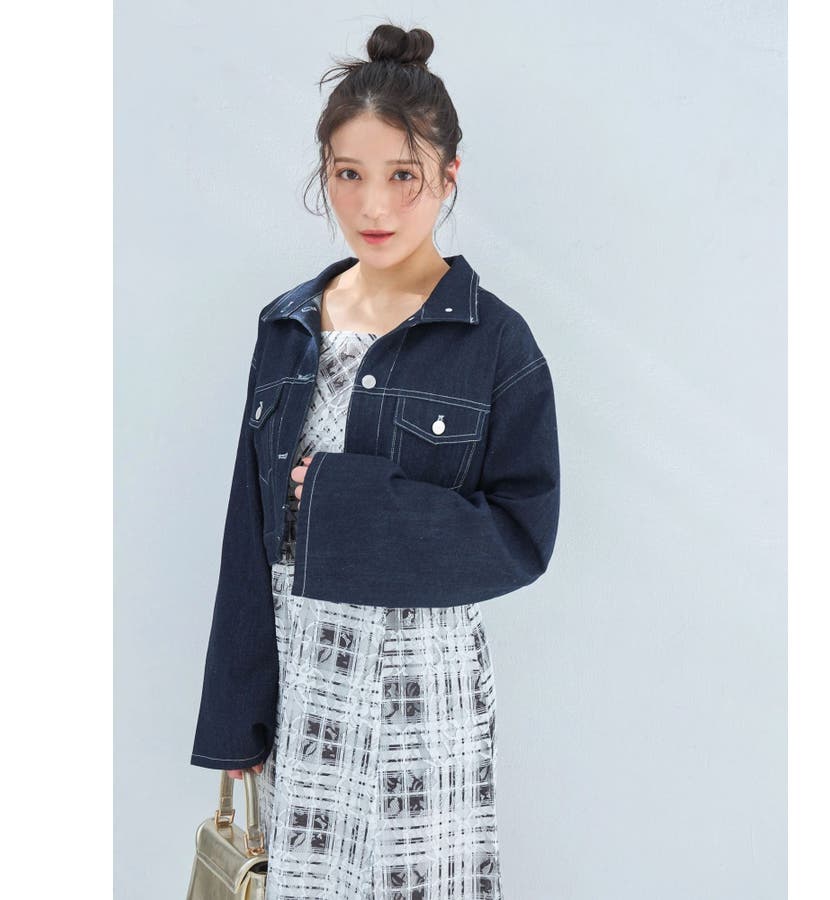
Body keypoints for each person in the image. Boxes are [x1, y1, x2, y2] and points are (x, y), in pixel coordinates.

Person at [189, 21, 561, 900]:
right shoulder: (286, 327)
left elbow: (523, 536)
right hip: (305, 683)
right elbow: (248, 532)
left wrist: (347, 502)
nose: (374, 207)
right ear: (324, 174)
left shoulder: (495, 343)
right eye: (348, 175)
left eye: (403, 176)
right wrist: (237, 721)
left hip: (426, 692)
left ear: (449, 176)